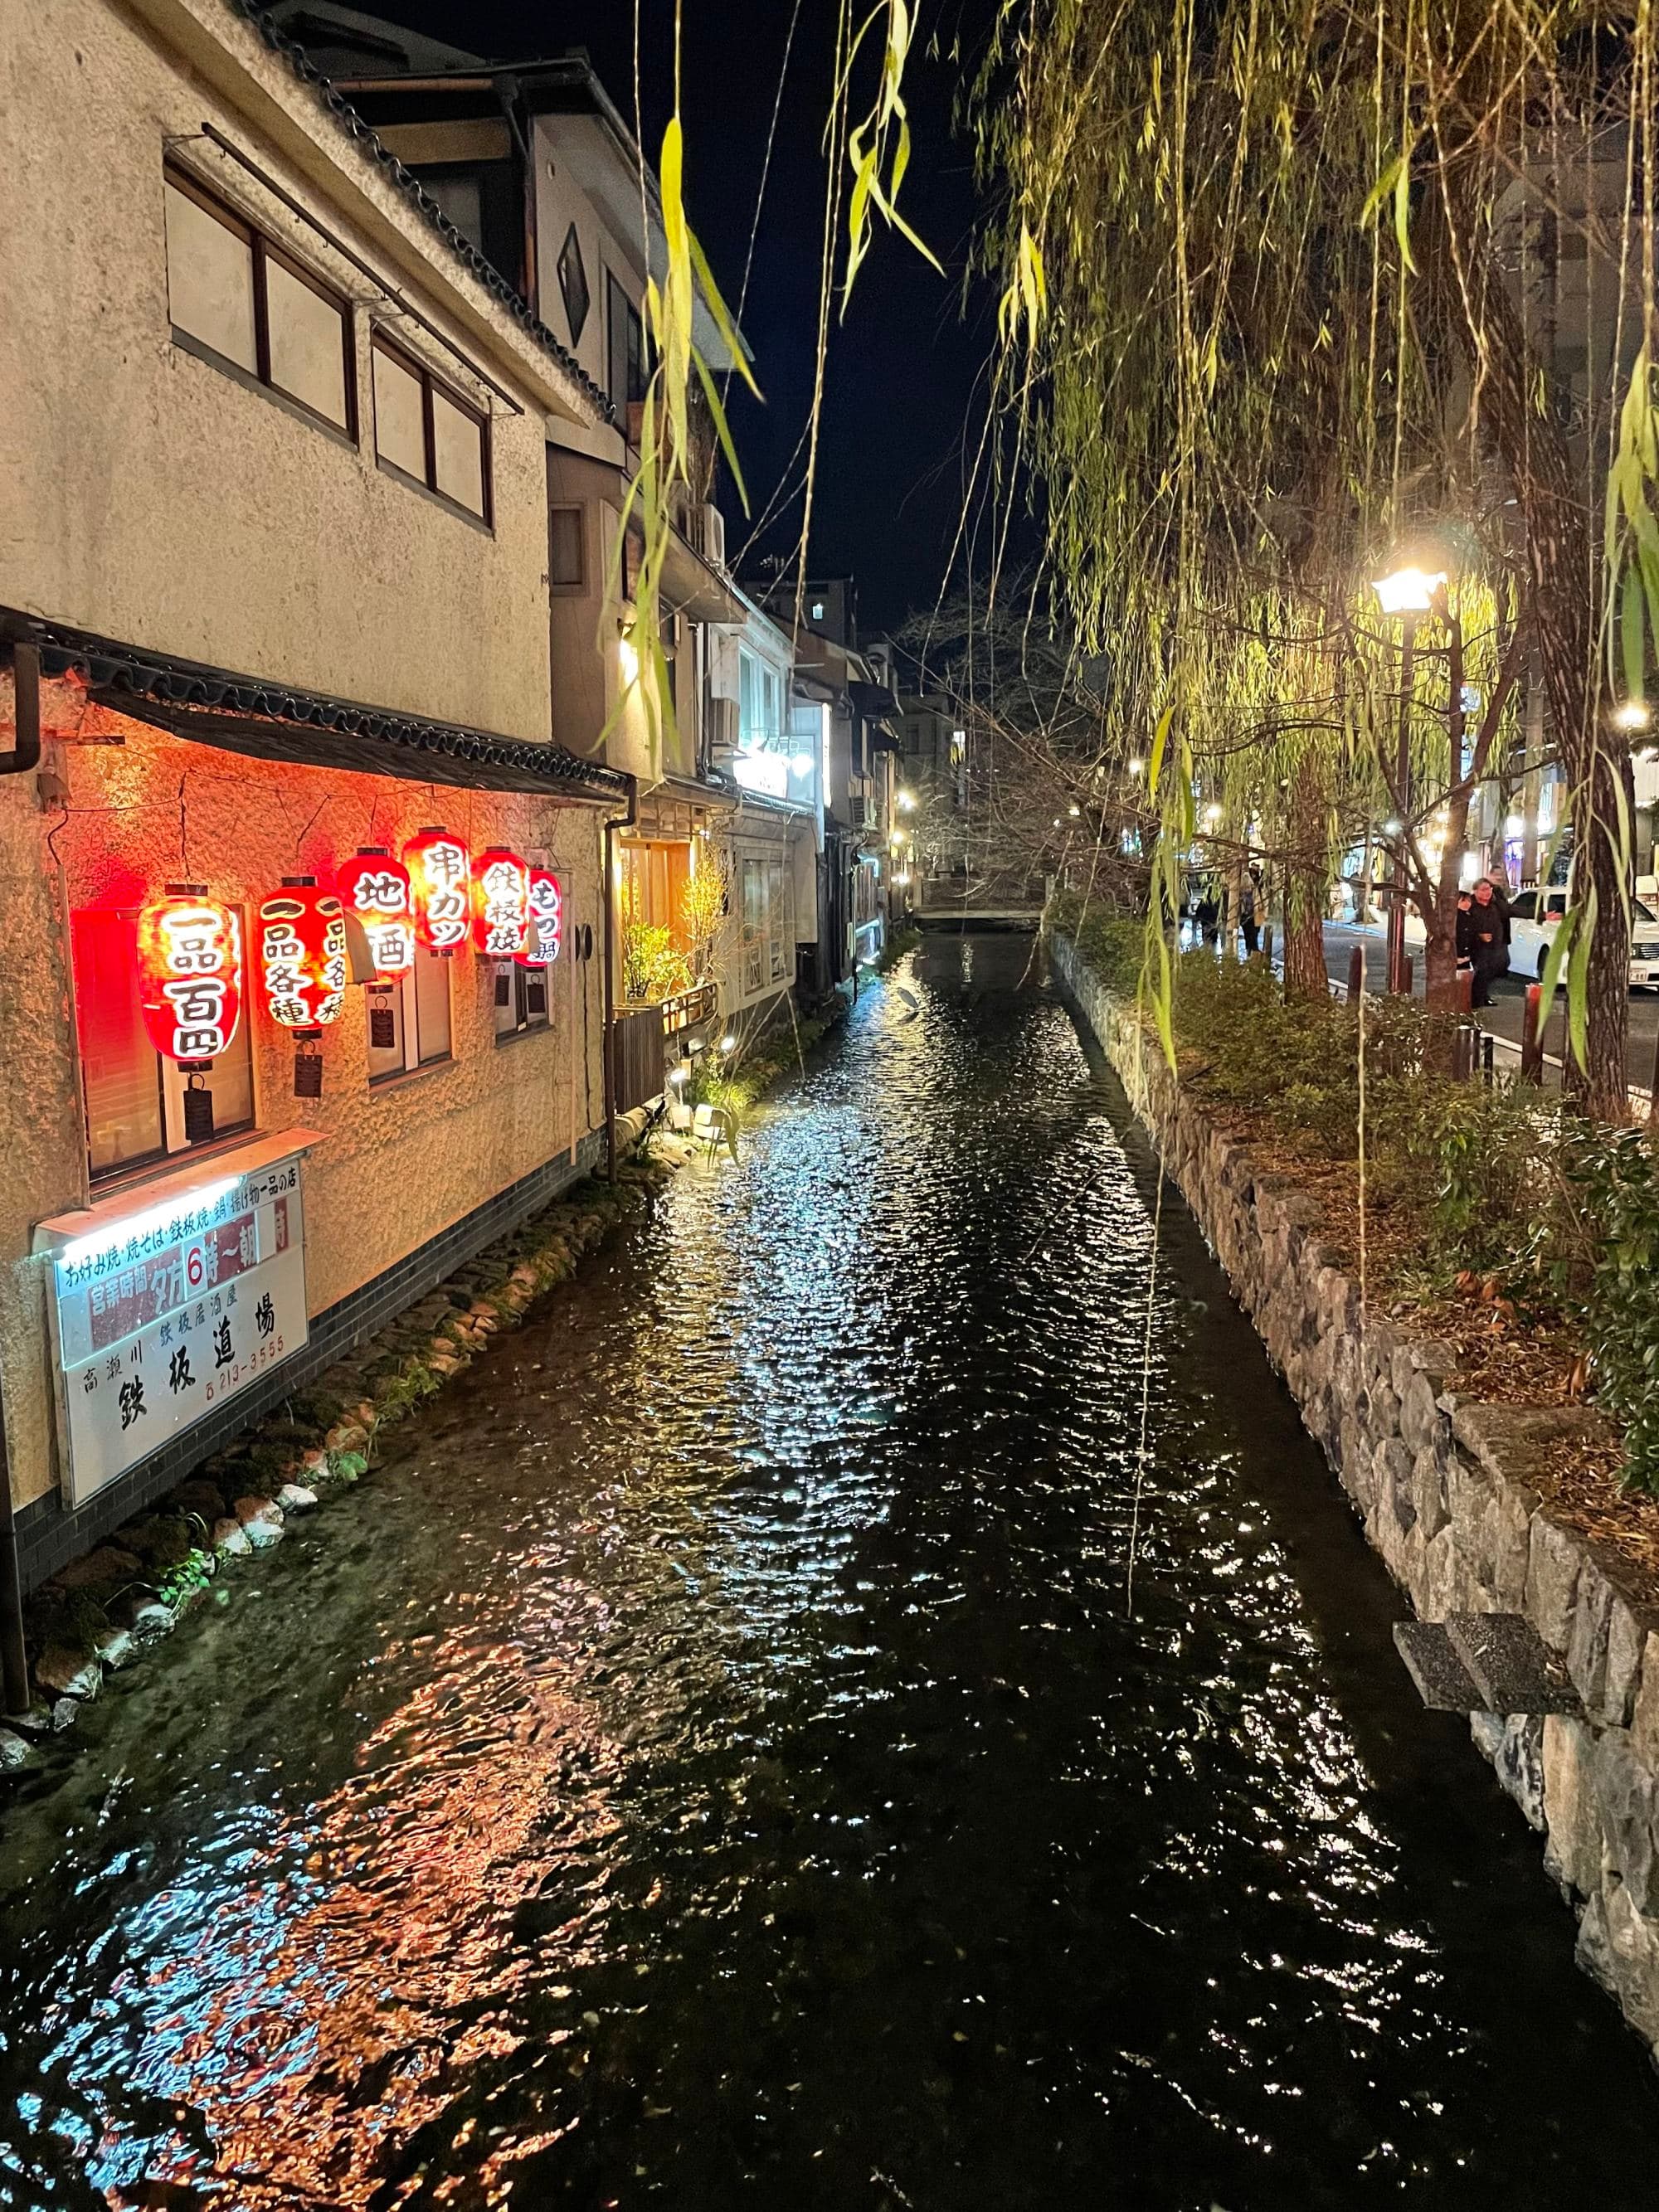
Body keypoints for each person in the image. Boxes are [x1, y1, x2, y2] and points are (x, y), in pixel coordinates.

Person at [1468, 874, 1511, 1007]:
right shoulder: (1470, 905)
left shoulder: (1496, 905)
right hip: (1476, 946)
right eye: (1484, 889)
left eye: (1489, 889)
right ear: (1475, 891)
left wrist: (1543, 915)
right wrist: (1479, 936)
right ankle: (1476, 1000)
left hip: (1495, 944)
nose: (1488, 892)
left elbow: (1515, 910)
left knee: (1499, 966)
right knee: (1482, 970)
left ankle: (1482, 996)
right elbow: (1464, 926)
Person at [1238, 869, 1262, 956]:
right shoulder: (1253, 891)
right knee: (1252, 936)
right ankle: (1252, 953)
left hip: (1248, 917)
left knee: (1249, 936)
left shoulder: (1241, 893)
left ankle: (1251, 953)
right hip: (1251, 917)